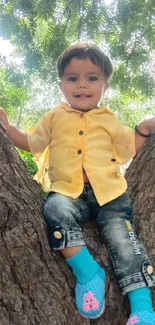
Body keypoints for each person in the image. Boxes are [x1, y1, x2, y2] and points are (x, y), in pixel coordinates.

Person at [0, 42, 155, 325]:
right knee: (54, 210)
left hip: (110, 195)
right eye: (73, 78)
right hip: (68, 192)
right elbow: (31, 142)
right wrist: (9, 130)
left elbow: (127, 147)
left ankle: (143, 308)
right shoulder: (54, 117)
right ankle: (87, 271)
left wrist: (143, 128)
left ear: (105, 86)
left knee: (124, 241)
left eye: (92, 78)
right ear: (61, 86)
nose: (82, 85)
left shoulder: (109, 120)